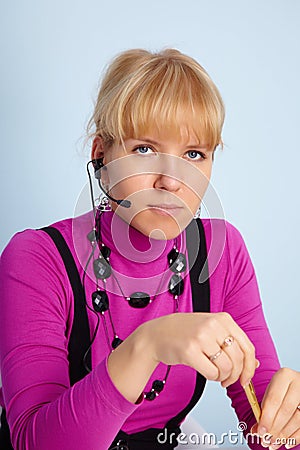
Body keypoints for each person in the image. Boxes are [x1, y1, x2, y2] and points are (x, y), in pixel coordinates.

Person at [0, 48, 299, 450]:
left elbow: (265, 429)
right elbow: (35, 444)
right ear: (101, 155)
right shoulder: (36, 258)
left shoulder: (221, 252)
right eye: (144, 149)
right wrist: (150, 343)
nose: (172, 182)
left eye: (194, 154)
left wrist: (286, 418)